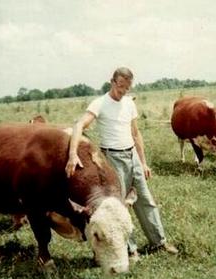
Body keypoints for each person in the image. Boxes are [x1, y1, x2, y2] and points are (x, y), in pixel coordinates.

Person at [65, 67, 178, 261]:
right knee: (120, 206)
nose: (123, 91)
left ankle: (158, 242)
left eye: (127, 88)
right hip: (113, 159)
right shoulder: (99, 103)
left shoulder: (128, 103)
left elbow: (135, 133)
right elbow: (79, 125)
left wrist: (143, 163)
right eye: (120, 87)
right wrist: (73, 154)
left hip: (132, 155)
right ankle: (129, 249)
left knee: (146, 200)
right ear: (112, 82)